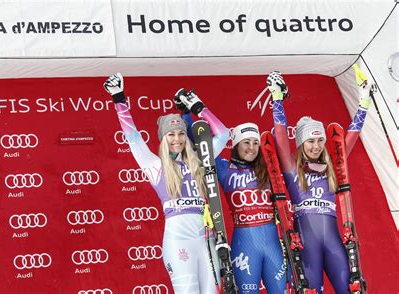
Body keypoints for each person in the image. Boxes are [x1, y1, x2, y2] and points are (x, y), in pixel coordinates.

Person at [103, 73, 230, 293]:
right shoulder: (156, 166)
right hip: (178, 241)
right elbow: (133, 139)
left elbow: (224, 134)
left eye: (181, 133)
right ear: (163, 138)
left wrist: (199, 108)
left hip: (205, 238)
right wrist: (118, 99)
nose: (177, 139)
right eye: (170, 134)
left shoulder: (199, 162)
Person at [266, 71, 373, 293]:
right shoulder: (291, 167)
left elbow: (351, 135)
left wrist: (364, 103)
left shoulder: (333, 166)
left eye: (319, 140)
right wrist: (277, 98)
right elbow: (280, 136)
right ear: (301, 143)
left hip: (333, 244)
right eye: (310, 141)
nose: (315, 146)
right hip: (307, 245)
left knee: (350, 290)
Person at [175, 96, 287, 293]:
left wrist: (277, 99)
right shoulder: (225, 168)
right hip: (244, 243)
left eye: (255, 142)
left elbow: (281, 135)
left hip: (273, 245)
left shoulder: (269, 168)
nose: (251, 148)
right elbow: (201, 146)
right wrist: (186, 113)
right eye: (246, 143)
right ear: (236, 144)